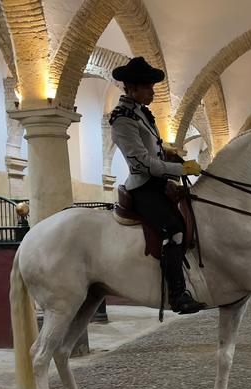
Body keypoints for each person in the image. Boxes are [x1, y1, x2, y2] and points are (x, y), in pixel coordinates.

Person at [109, 57, 207, 314]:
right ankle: (177, 295)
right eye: (148, 87)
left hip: (158, 183)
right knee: (174, 231)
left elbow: (154, 148)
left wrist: (170, 153)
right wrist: (180, 169)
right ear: (132, 88)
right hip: (143, 187)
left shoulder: (141, 113)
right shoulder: (122, 120)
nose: (153, 92)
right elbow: (142, 163)